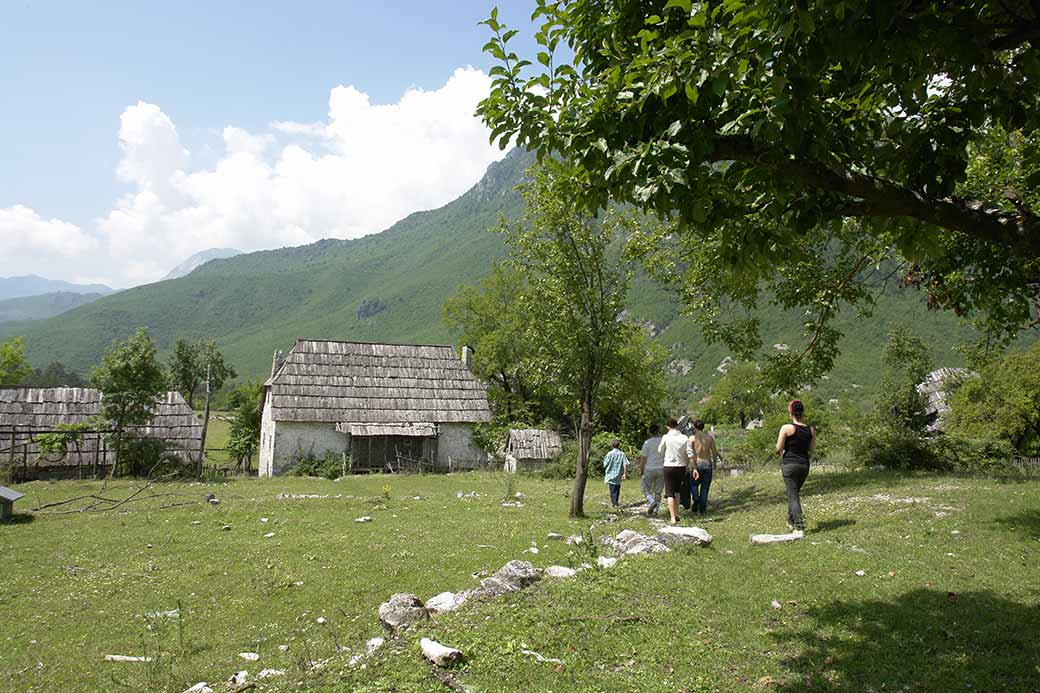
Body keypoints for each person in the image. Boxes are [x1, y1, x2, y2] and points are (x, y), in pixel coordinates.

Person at [774, 399, 816, 532]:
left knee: (793, 495)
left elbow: (778, 448)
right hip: (804, 465)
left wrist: (780, 451)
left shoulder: (786, 428)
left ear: (790, 413)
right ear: (802, 412)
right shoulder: (811, 429)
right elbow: (812, 448)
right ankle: (791, 520)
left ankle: (799, 526)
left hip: (790, 465)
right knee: (795, 494)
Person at [658, 418, 691, 524]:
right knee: (677, 491)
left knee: (669, 492)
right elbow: (689, 453)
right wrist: (687, 465)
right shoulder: (684, 437)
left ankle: (672, 517)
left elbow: (660, 450)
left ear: (668, 427)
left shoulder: (666, 437)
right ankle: (677, 513)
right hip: (681, 466)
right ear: (677, 426)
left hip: (669, 466)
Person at [687, 419, 719, 515]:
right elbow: (714, 452)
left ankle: (696, 499)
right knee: (705, 488)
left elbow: (690, 453)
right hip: (707, 463)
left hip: (697, 464)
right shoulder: (709, 438)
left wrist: (690, 465)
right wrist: (715, 464)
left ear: (695, 427)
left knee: (693, 484)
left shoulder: (692, 438)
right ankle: (702, 509)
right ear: (703, 427)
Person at [639, 424, 665, 515]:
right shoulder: (663, 441)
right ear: (659, 431)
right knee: (658, 491)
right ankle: (655, 510)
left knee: (645, 488)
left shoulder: (647, 443)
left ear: (650, 432)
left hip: (649, 468)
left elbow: (643, 458)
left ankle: (651, 501)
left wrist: (641, 470)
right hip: (661, 468)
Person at [601, 439, 629, 508]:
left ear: (612, 445)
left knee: (612, 490)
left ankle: (614, 503)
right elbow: (625, 464)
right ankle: (616, 502)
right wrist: (625, 473)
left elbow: (605, 464)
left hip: (611, 474)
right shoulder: (622, 454)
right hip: (619, 474)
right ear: (618, 445)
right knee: (617, 489)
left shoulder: (609, 454)